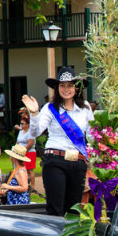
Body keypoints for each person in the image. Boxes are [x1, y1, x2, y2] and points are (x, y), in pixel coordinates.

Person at [22, 66, 95, 215]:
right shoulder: (50, 108)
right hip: (55, 160)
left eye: (70, 85)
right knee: (56, 209)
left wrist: (105, 143)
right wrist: (35, 113)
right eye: (62, 85)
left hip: (78, 163)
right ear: (57, 88)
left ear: (76, 88)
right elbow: (35, 132)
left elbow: (92, 135)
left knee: (74, 210)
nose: (66, 89)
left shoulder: (85, 107)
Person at [16, 112, 38, 193]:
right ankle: (23, 184)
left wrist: (23, 151)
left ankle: (33, 186)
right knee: (21, 169)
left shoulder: (31, 133)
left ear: (28, 124)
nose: (21, 125)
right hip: (20, 153)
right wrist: (16, 150)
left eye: (23, 123)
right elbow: (18, 141)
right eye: (21, 123)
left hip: (29, 152)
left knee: (30, 170)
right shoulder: (21, 132)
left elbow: (30, 143)